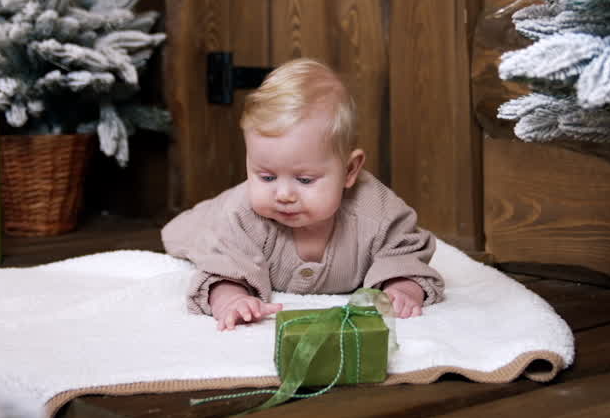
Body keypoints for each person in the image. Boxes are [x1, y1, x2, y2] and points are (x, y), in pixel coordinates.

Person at [162, 58, 445, 330]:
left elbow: (405, 254)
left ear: (349, 170)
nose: (283, 194)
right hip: (213, 218)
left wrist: (402, 288)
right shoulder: (241, 215)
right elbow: (223, 266)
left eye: (305, 179)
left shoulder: (378, 213)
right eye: (267, 176)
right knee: (195, 236)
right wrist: (231, 299)